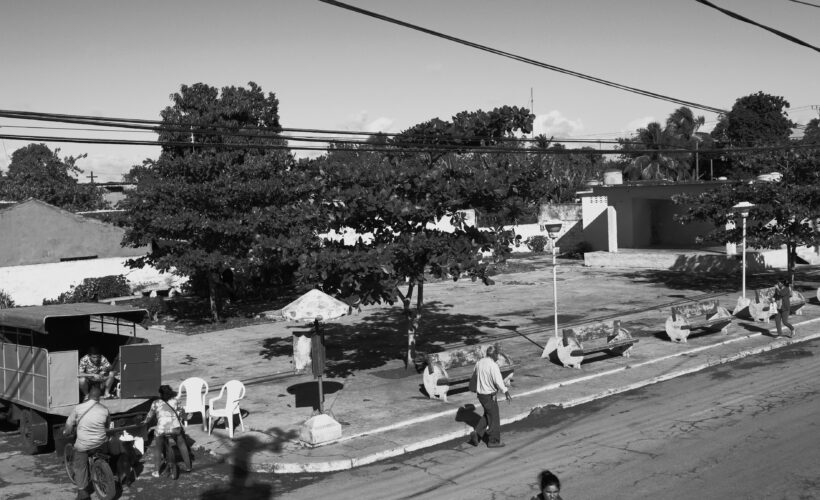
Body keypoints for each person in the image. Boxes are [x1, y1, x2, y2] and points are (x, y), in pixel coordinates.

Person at [63, 385, 111, 500]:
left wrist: (66, 433)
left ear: (88, 396)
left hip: (84, 444)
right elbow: (107, 426)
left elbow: (69, 426)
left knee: (79, 466)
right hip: (101, 442)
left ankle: (82, 492)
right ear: (99, 398)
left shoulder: (78, 408)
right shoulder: (105, 409)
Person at [142, 384, 192, 477]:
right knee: (182, 445)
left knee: (158, 448)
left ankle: (156, 471)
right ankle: (188, 467)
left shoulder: (155, 403)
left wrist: (144, 422)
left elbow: (149, 416)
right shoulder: (175, 401)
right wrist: (185, 418)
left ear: (160, 394)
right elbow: (182, 413)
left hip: (161, 429)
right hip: (175, 428)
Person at [468, 345, 512, 448]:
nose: (498, 356)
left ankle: (477, 433)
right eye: (497, 354)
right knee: (494, 418)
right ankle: (493, 441)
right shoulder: (493, 365)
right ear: (493, 354)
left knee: (488, 414)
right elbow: (498, 381)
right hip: (489, 395)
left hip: (481, 395)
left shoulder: (479, 362)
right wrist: (505, 391)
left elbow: (475, 375)